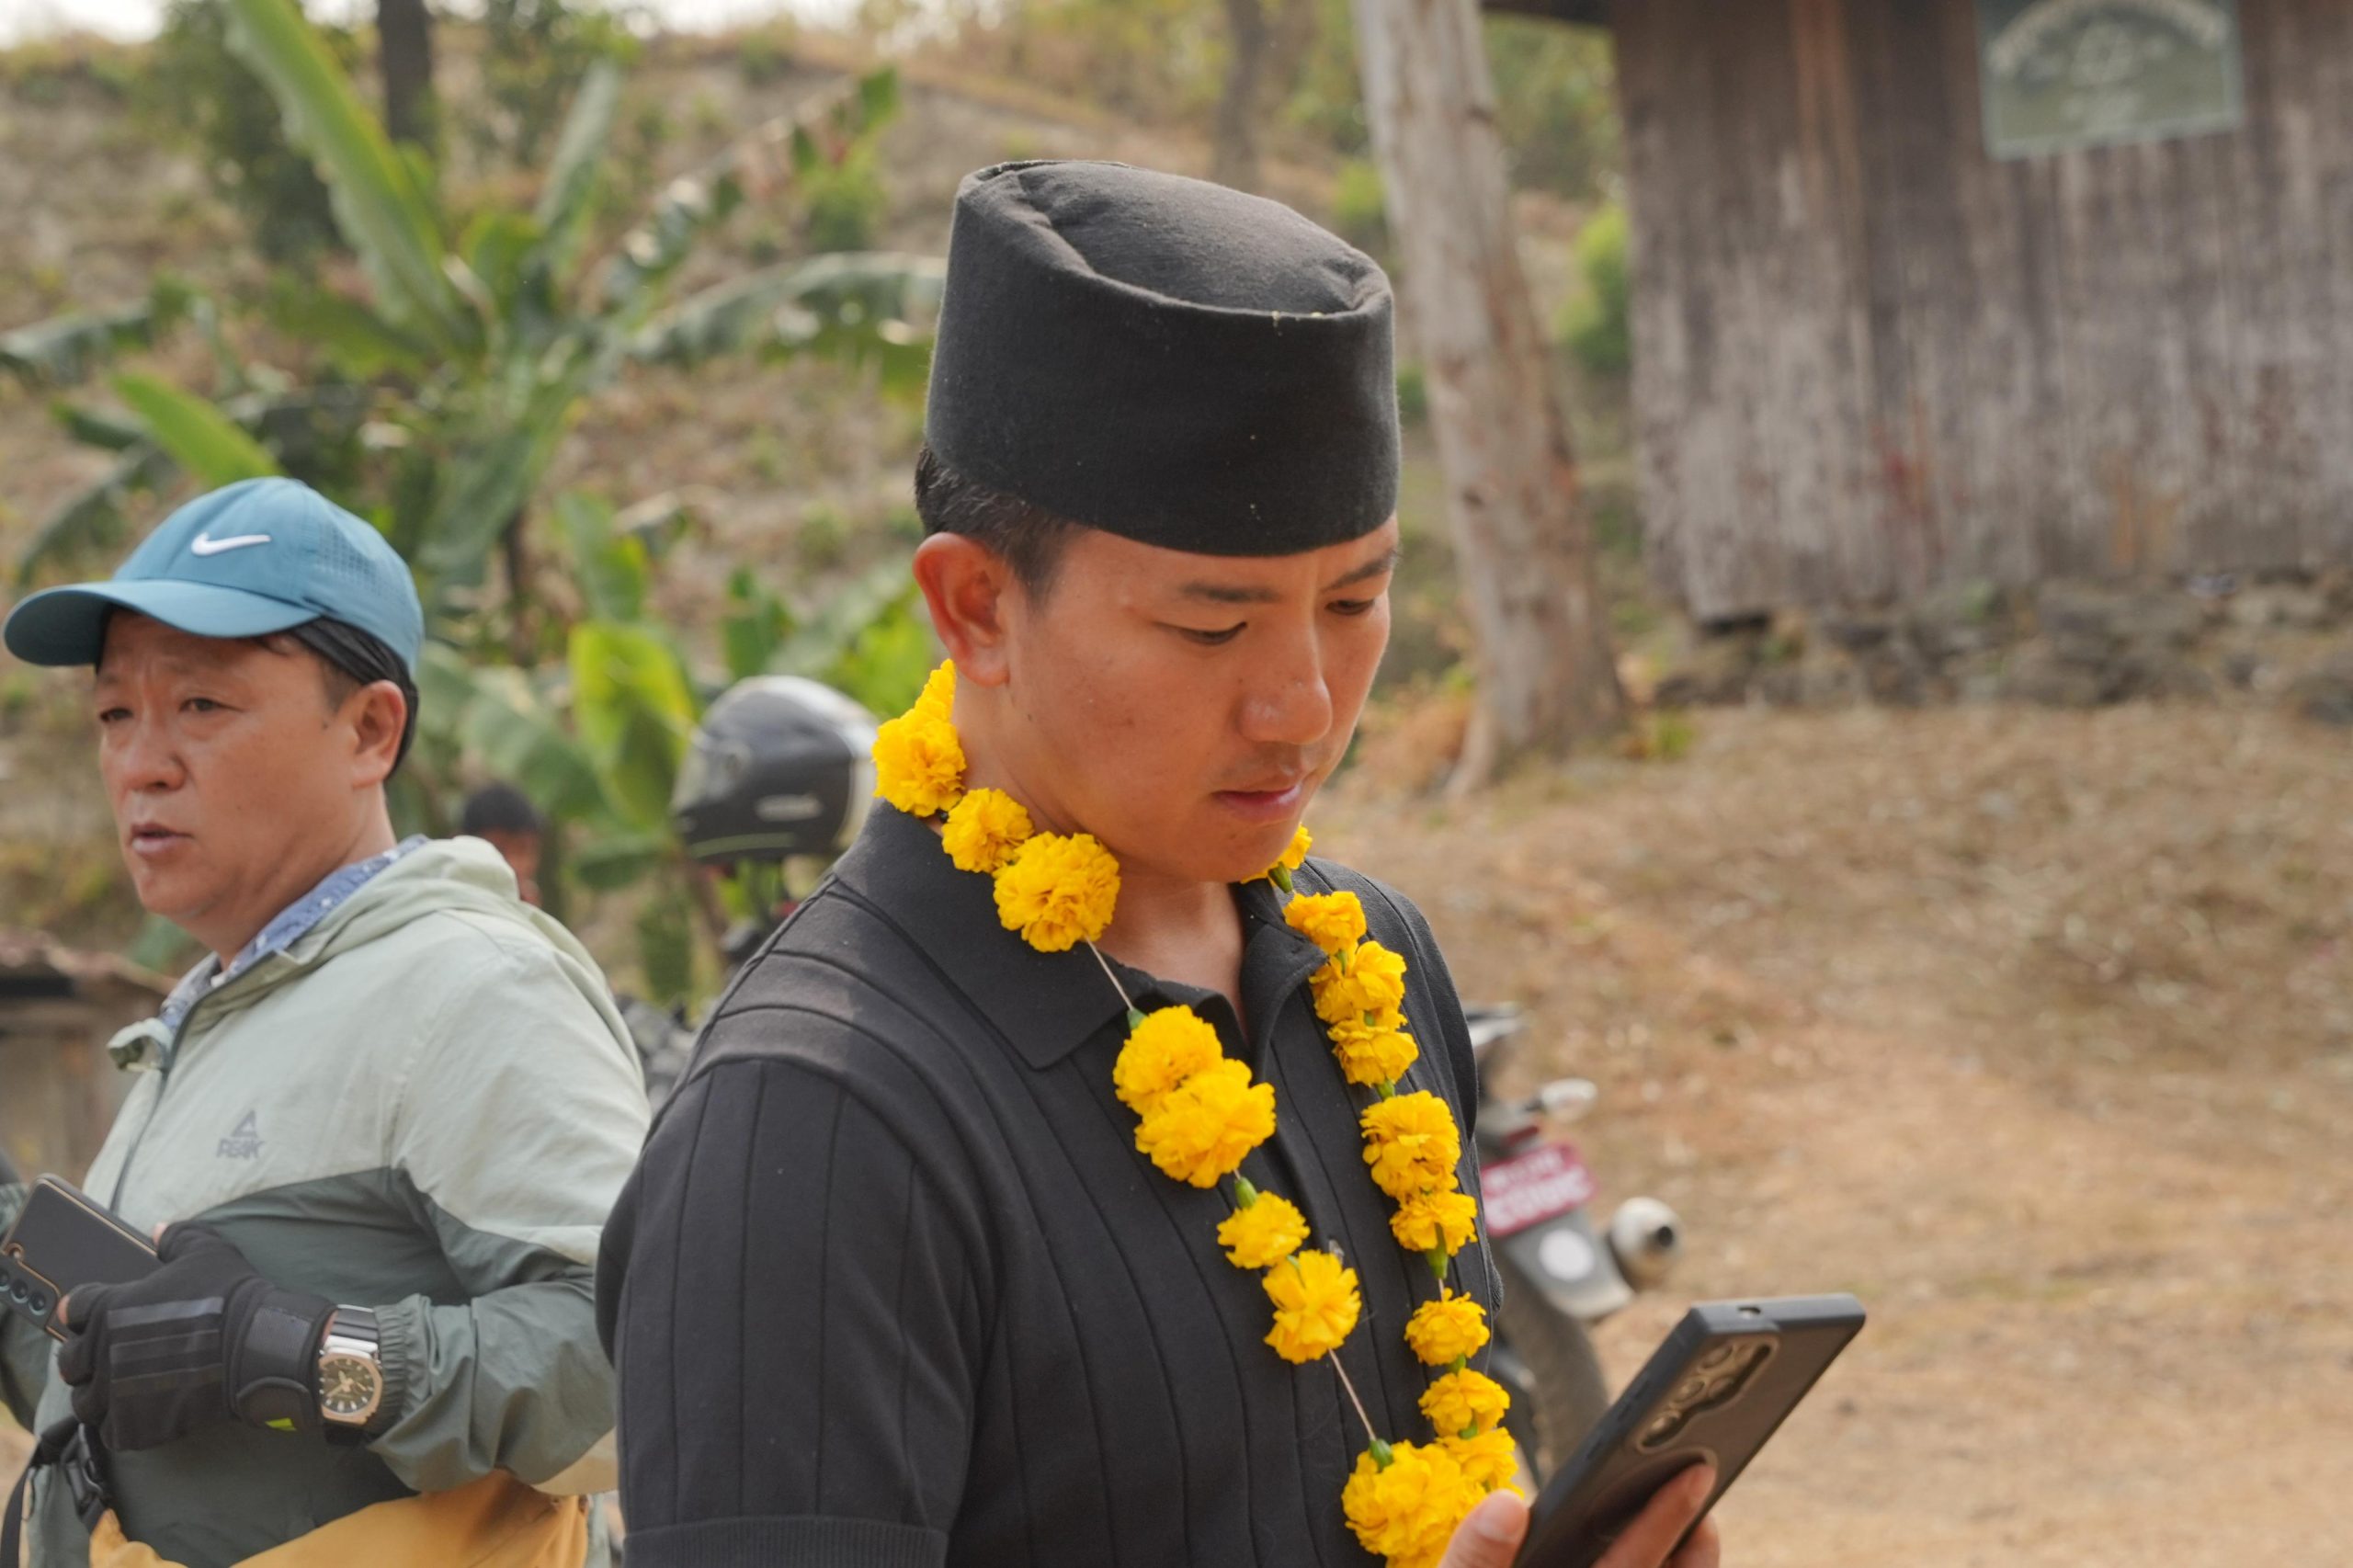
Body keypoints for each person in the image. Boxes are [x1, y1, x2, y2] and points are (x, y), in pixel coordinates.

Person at [597, 161, 1723, 1568]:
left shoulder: (1370, 958)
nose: (1303, 703)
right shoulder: (815, 1122)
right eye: (1210, 625)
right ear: (977, 606)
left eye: (1358, 599)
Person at [0, 478, 650, 1568]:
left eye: (201, 705)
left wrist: (299, 1353)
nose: (143, 761)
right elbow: (111, 1397)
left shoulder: (468, 984)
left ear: (369, 728)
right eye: (116, 712)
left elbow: (644, 1374)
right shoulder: (210, 1013)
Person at [460, 782, 551, 908]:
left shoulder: (527, 906)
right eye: (499, 851)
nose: (516, 865)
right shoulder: (449, 900)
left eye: (524, 850)